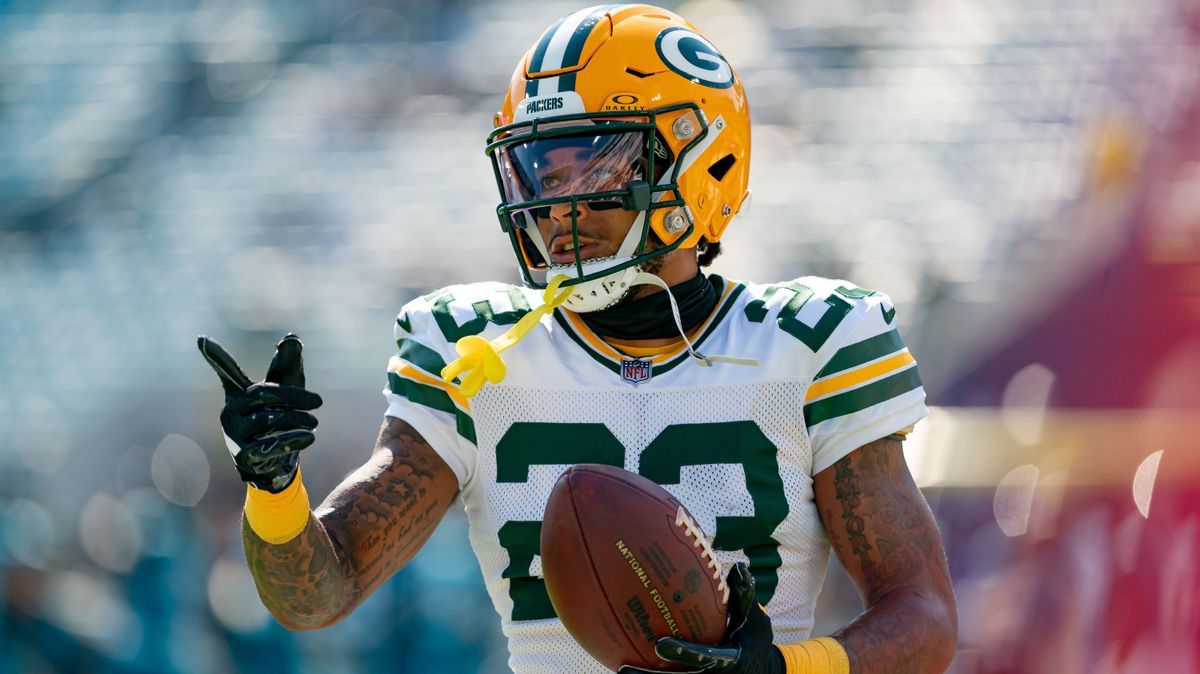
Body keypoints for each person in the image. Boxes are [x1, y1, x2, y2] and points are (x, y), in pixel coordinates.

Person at [198, 5, 957, 673]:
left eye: (595, 163)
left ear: (701, 162)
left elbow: (924, 616)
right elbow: (317, 594)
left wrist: (787, 672)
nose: (558, 207)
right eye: (538, 173)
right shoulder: (471, 353)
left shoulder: (812, 344)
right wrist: (273, 489)